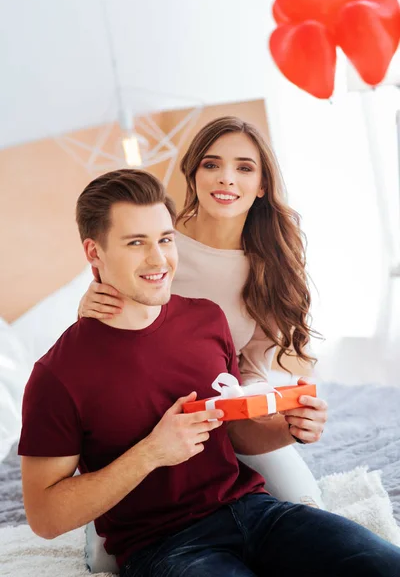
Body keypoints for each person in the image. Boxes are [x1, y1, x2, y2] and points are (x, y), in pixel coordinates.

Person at [19, 170, 400, 576]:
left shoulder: (205, 319)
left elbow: (232, 433)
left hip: (255, 511)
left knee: (385, 565)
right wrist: (152, 452)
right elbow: (45, 517)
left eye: (165, 239)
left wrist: (288, 428)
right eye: (136, 243)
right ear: (94, 253)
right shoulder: (57, 375)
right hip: (165, 545)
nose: (158, 259)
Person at [78, 116, 327, 504]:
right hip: (144, 429)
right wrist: (86, 305)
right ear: (193, 175)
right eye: (211, 164)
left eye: (244, 168)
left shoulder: (272, 265)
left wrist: (261, 404)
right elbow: (100, 344)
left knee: (307, 506)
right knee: (110, 558)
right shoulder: (155, 244)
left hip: (224, 424)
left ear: (262, 185)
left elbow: (250, 364)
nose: (226, 178)